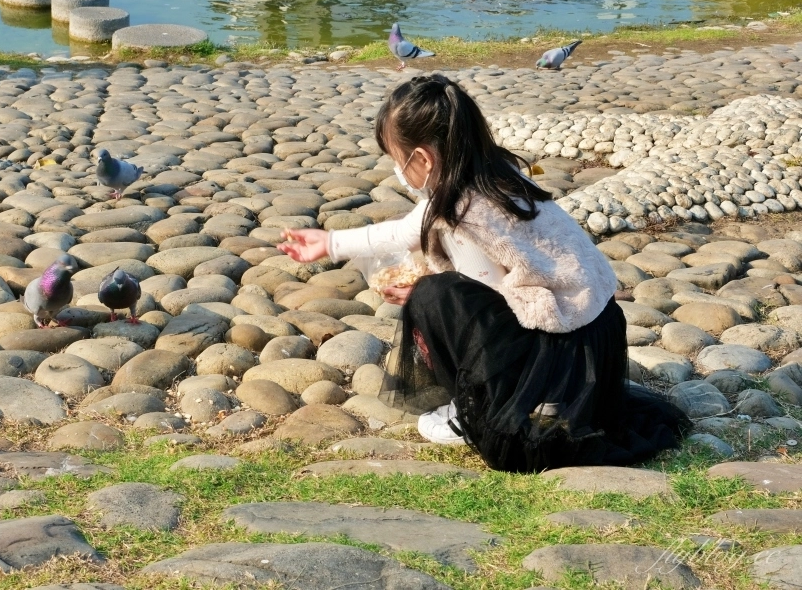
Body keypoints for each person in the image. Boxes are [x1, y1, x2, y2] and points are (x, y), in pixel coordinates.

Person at [278, 74, 690, 473]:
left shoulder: (460, 202)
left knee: (435, 296)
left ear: (421, 158)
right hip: (591, 334)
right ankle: (527, 394)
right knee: (440, 290)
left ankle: (478, 410)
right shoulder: (495, 174)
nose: (398, 173)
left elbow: (420, 245)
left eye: (397, 160)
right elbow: (482, 268)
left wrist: (333, 245)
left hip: (560, 344)